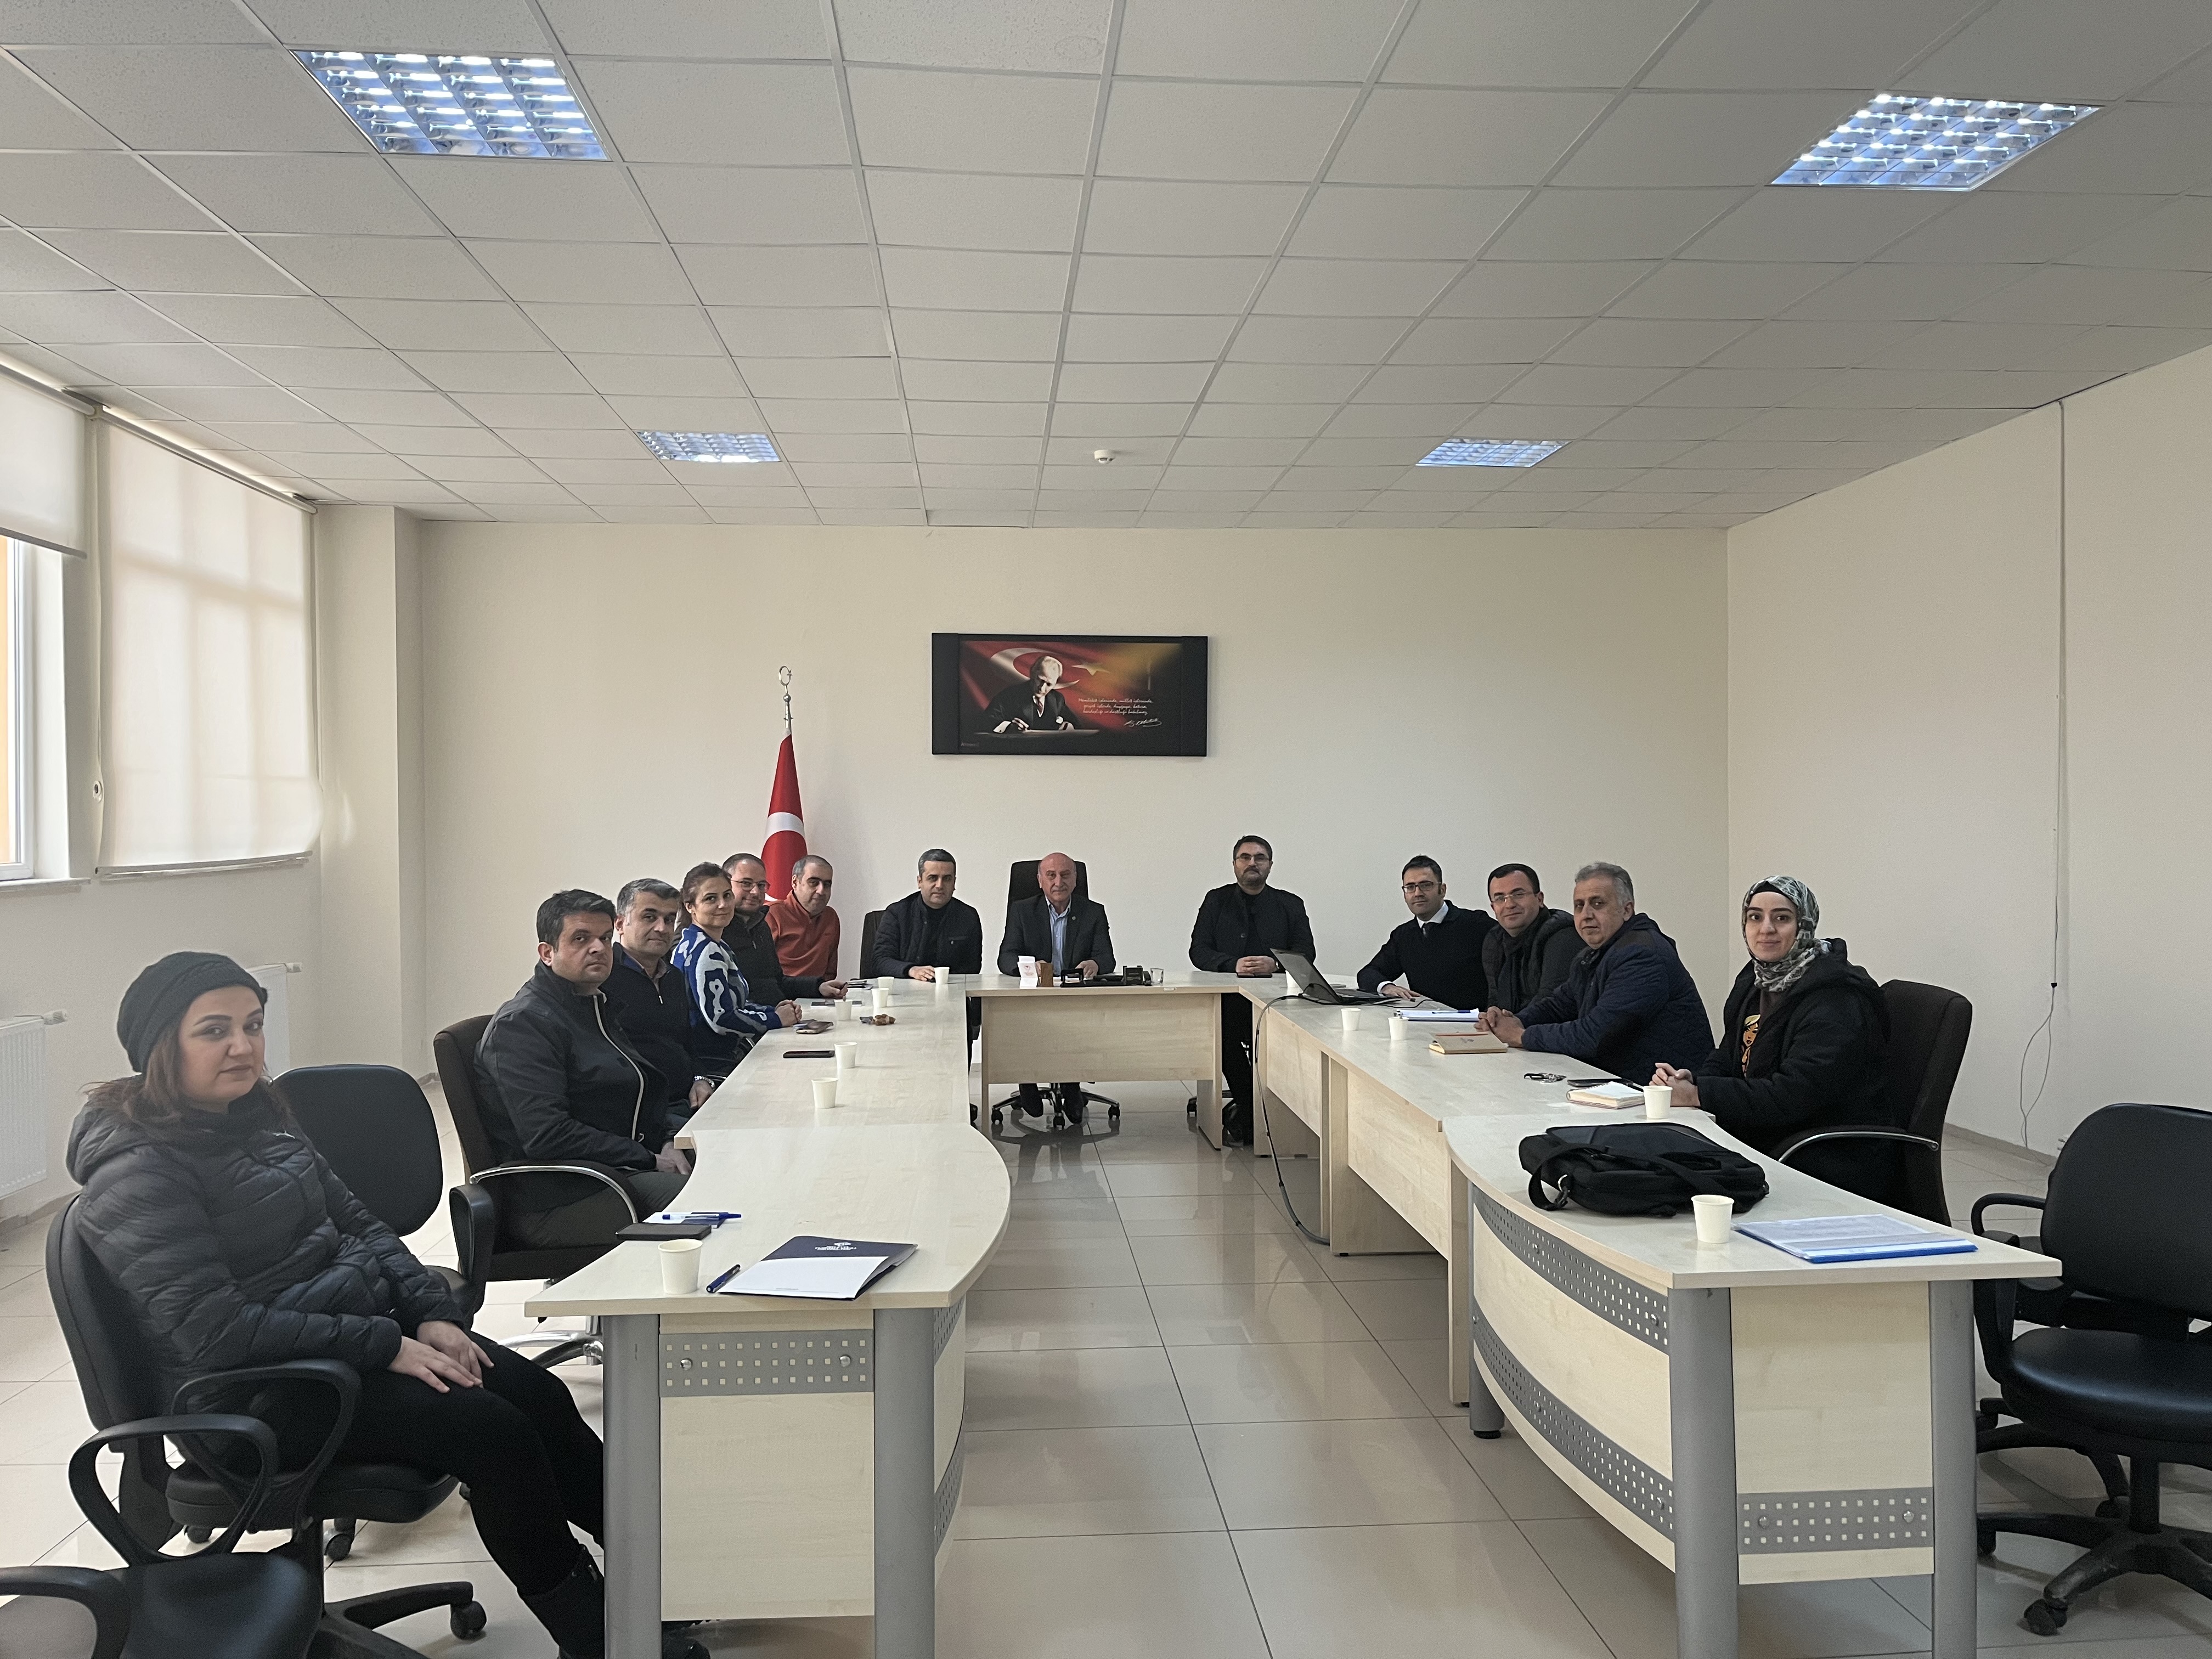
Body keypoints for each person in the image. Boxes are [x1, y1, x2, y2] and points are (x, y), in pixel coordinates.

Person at [67, 952, 703, 1659]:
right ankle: (593, 1635)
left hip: (340, 1346)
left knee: (539, 1395)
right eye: (214, 1031)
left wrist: (432, 1314)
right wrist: (386, 1344)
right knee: (494, 1433)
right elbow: (214, 1331)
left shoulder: (258, 1116)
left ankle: (657, 1583)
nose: (243, 1046)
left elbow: (360, 1224)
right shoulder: (139, 1170)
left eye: (253, 1024)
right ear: (160, 1045)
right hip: (257, 1394)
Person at [1654, 877, 1898, 1198]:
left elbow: (1791, 1095)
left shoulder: (1836, 1000)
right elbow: (1729, 1055)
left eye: (1781, 918)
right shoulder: (1756, 979)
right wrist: (1694, 1080)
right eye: (1755, 917)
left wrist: (1700, 1095)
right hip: (1766, 1130)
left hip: (1821, 1153)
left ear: (1804, 926)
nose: (1765, 929)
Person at [476, 890, 693, 1250]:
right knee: (715, 1201)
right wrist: (648, 1158)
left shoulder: (593, 1005)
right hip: (563, 1197)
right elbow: (548, 1135)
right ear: (547, 953)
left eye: (605, 938)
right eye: (580, 939)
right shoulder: (525, 1024)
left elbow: (634, 1092)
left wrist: (668, 1139)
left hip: (613, 1170)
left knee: (731, 1168)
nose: (598, 948)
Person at [1480, 862, 1711, 1081]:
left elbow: (1596, 1035)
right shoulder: (1594, 954)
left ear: (1627, 910)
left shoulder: (1641, 955)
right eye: (1579, 906)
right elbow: (1559, 1005)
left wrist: (1521, 1036)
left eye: (1598, 904)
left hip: (1660, 1092)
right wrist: (1513, 1021)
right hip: (1620, 1083)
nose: (1586, 914)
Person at [1187, 835, 1314, 1145]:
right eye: (1245, 857)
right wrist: (1232, 964)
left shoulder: (1290, 904)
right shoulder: (1216, 901)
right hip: (1229, 1001)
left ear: (1270, 865)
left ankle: (1270, 1113)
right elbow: (1198, 951)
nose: (1252, 863)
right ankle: (1251, 1110)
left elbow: (1306, 953)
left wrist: (1276, 963)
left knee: (1284, 1044)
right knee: (1223, 1038)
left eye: (1260, 858)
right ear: (1234, 865)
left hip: (1276, 1003)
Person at [996, 851, 1115, 1122]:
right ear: (1040, 881)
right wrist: (1030, 967)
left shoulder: (1093, 912)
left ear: (1076, 880)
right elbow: (1005, 958)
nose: (1058, 882)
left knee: (1074, 1022)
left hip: (1073, 997)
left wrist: (1095, 964)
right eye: (1051, 876)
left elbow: (1108, 958)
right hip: (1034, 997)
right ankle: (1027, 1078)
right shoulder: (1022, 911)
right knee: (1021, 1021)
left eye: (1065, 875)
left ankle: (1071, 1084)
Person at [603, 877, 716, 1125]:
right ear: (620, 924)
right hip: (642, 1114)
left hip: (691, 1100)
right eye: (649, 917)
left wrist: (699, 1078)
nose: (662, 928)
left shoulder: (673, 976)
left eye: (669, 919)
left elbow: (686, 1042)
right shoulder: (603, 980)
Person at [673, 861, 797, 1078]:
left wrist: (772, 1011)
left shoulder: (706, 942)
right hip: (714, 1066)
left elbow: (733, 1003)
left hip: (718, 1057)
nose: (723, 905)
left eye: (727, 896)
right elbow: (721, 1019)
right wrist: (775, 1020)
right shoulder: (706, 952)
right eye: (711, 899)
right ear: (690, 906)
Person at [1357, 855, 1494, 1010]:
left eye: (1426, 885)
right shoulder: (1403, 936)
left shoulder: (1477, 924)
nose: (1417, 893)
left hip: (1473, 1021)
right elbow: (1368, 973)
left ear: (1442, 890)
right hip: (1423, 1020)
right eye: (1410, 887)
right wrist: (1387, 987)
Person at [721, 851, 845, 1005]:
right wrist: (774, 1015)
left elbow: (777, 982)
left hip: (787, 1007)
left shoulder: (760, 926)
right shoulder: (718, 932)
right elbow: (730, 1002)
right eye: (746, 884)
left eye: (761, 885)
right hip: (764, 1014)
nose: (755, 892)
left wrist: (818, 987)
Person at [871, 848, 985, 983]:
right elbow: (880, 961)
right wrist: (911, 970)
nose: (940, 885)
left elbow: (973, 968)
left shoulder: (968, 917)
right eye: (933, 878)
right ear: (920, 882)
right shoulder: (897, 913)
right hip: (904, 990)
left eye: (947, 879)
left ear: (954, 883)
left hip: (951, 988)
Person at [1480, 862, 1580, 1013]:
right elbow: (1495, 999)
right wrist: (1493, 1016)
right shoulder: (1494, 940)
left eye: (1518, 894)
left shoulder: (1563, 937)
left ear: (1540, 899)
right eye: (1500, 898)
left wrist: (1511, 1023)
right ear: (1493, 908)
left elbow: (1550, 1004)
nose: (1509, 905)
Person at [768, 855, 842, 983]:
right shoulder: (773, 914)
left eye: (827, 885)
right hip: (782, 992)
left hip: (819, 991)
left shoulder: (831, 917)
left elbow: (830, 972)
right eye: (814, 883)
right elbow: (762, 974)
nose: (821, 891)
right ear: (795, 883)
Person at [982, 653, 1076, 734]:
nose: (1042, 688)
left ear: (1055, 684)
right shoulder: (1010, 695)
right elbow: (986, 721)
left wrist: (1070, 727)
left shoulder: (1058, 699)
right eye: (1040, 680)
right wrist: (1008, 727)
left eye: (1049, 684)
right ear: (1033, 674)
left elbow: (1076, 725)